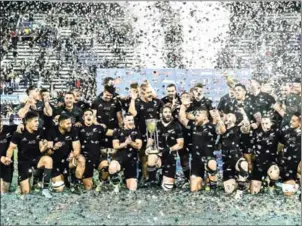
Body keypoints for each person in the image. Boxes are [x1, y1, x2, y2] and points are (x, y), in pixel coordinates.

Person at [3, 112, 53, 198]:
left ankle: (45, 189)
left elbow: (41, 149)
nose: (37, 123)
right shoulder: (19, 133)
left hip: (36, 160)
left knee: (48, 160)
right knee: (26, 193)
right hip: (24, 163)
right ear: (28, 122)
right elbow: (11, 148)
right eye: (35, 121)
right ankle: (22, 183)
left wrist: (45, 146)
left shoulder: (40, 131)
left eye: (38, 121)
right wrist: (8, 158)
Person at [179, 96, 219, 192]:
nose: (196, 116)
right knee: (194, 189)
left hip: (209, 159)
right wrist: (183, 106)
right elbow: (182, 118)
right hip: (196, 161)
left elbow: (221, 130)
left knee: (212, 164)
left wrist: (218, 118)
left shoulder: (212, 126)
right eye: (195, 114)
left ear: (205, 116)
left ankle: (212, 180)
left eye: (198, 114)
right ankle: (203, 180)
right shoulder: (193, 125)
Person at [129, 84, 164, 183]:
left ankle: (157, 177)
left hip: (156, 135)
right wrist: (132, 99)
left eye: (151, 92)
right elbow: (131, 113)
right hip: (141, 133)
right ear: (142, 94)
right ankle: (145, 178)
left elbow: (166, 112)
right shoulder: (137, 102)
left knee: (156, 156)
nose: (150, 95)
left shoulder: (157, 102)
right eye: (148, 93)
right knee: (143, 157)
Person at [145, 105, 184, 190]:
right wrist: (148, 147)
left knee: (167, 188)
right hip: (158, 155)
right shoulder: (154, 124)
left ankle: (163, 176)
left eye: (169, 112)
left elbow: (180, 144)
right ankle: (152, 180)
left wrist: (169, 149)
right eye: (165, 112)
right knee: (151, 157)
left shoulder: (177, 125)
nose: (168, 114)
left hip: (170, 155)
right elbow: (150, 138)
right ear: (161, 114)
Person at [47, 114, 85, 194]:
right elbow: (48, 152)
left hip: (68, 160)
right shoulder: (51, 131)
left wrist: (73, 155)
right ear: (60, 124)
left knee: (81, 159)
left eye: (70, 123)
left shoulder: (73, 130)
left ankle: (76, 183)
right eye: (67, 124)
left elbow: (77, 149)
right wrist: (54, 148)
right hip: (55, 162)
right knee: (60, 189)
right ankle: (54, 178)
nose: (70, 125)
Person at [216, 112, 250, 199]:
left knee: (243, 164)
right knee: (228, 191)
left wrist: (243, 114)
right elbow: (217, 148)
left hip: (237, 159)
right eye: (227, 115)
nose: (227, 116)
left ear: (236, 120)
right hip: (227, 163)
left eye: (230, 115)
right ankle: (241, 181)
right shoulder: (222, 133)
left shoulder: (238, 129)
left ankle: (240, 191)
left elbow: (246, 128)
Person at [110, 113, 142, 191]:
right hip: (120, 158)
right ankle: (116, 185)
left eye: (132, 120)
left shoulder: (137, 132)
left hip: (131, 161)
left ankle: (125, 179)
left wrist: (130, 142)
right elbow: (115, 146)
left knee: (132, 189)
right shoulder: (117, 131)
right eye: (129, 120)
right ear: (124, 121)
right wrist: (125, 143)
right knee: (112, 167)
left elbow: (139, 146)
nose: (131, 122)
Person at [249, 116, 280, 195]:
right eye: (262, 124)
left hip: (271, 163)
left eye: (266, 123)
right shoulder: (255, 132)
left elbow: (282, 145)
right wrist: (250, 162)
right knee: (254, 192)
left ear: (271, 123)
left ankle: (271, 184)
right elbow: (249, 149)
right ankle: (262, 182)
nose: (264, 125)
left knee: (274, 173)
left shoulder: (276, 133)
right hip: (258, 163)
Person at [78, 109, 108, 190]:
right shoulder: (78, 129)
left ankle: (102, 182)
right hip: (86, 159)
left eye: (90, 114)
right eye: (86, 115)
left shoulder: (99, 128)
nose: (88, 116)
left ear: (93, 117)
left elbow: (107, 138)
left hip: (97, 157)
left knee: (105, 166)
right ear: (83, 117)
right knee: (88, 188)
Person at [279, 112, 301, 197]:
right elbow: (280, 146)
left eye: (294, 121)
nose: (290, 122)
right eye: (291, 120)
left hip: (299, 164)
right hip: (288, 165)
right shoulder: (287, 132)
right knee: (288, 192)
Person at [0, 118, 18, 193]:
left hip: (8, 163)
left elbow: (21, 124)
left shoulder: (9, 129)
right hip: (2, 160)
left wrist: (20, 126)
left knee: (5, 191)